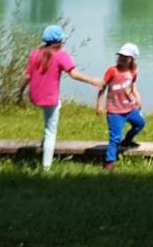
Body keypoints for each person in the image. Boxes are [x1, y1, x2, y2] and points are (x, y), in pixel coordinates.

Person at [18, 24, 102, 171]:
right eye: (63, 40)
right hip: (50, 99)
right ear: (59, 41)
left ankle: (44, 148)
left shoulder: (35, 53)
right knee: (51, 131)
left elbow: (27, 76)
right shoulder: (61, 55)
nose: (64, 43)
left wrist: (20, 93)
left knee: (49, 119)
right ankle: (46, 167)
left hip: (35, 96)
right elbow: (74, 74)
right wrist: (92, 80)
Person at [97, 42, 146, 170]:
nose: (122, 59)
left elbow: (131, 86)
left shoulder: (133, 71)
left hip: (130, 108)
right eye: (120, 56)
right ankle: (109, 162)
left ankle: (128, 140)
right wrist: (99, 105)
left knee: (140, 123)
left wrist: (137, 98)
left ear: (132, 59)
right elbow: (102, 87)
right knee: (115, 138)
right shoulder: (112, 71)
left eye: (126, 57)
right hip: (115, 111)